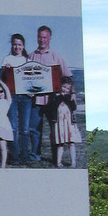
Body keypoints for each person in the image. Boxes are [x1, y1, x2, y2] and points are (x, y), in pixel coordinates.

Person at [29, 25, 72, 164]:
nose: (42, 40)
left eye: (44, 37)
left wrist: (71, 95)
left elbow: (68, 77)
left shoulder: (56, 56)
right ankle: (35, 155)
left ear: (49, 38)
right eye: (39, 37)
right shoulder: (31, 56)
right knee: (34, 129)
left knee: (55, 129)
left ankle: (56, 157)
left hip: (53, 101)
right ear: (37, 37)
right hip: (36, 100)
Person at [1, 33, 31, 164]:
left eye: (19, 44)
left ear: (23, 46)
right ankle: (14, 156)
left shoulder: (28, 61)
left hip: (25, 97)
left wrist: (31, 92)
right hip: (11, 96)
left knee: (24, 128)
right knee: (12, 127)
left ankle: (25, 155)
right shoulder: (7, 59)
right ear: (12, 45)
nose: (17, 47)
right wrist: (6, 68)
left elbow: (31, 79)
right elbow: (5, 77)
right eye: (14, 44)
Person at [51, 75, 83, 168]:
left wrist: (69, 97)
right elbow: (53, 106)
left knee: (71, 142)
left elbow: (74, 107)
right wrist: (60, 96)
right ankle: (58, 162)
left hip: (69, 123)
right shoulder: (55, 96)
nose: (65, 89)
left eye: (68, 88)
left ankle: (73, 162)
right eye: (63, 87)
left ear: (70, 89)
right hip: (60, 123)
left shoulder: (70, 97)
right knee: (60, 144)